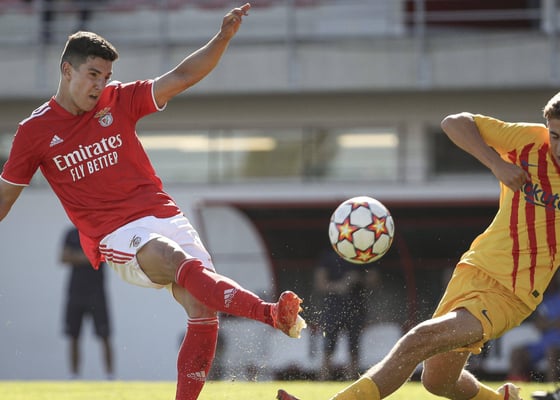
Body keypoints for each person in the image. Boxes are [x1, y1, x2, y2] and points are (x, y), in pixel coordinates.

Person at [0, 3, 306, 399]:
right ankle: (270, 314)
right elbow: (5, 197)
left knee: (202, 308)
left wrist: (222, 37)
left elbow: (181, 76)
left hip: (164, 215)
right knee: (171, 257)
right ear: (67, 70)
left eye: (106, 77)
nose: (100, 85)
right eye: (93, 74)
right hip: (116, 234)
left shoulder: (118, 100)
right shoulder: (34, 131)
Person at [277, 94, 560, 400]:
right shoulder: (529, 141)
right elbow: (454, 123)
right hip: (472, 270)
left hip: (511, 291)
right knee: (437, 380)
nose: (557, 146)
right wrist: (496, 164)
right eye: (555, 135)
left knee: (419, 338)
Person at [314, 248, 379, 380]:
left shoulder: (363, 256)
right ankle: (324, 377)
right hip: (333, 308)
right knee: (328, 345)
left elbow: (374, 279)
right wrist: (340, 285)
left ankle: (351, 378)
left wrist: (358, 279)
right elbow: (320, 284)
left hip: (356, 308)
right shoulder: (329, 256)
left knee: (354, 345)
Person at [60, 225, 114, 380]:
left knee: (104, 335)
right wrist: (88, 257)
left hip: (97, 293)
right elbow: (64, 257)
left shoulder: (100, 232)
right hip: (76, 292)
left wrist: (78, 256)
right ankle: (74, 375)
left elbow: (105, 256)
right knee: (73, 335)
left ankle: (110, 375)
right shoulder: (71, 234)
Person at [508, 272, 560, 383]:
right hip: (542, 343)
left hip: (556, 345)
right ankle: (518, 386)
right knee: (517, 352)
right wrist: (553, 323)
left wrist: (547, 323)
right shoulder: (543, 299)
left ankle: (553, 387)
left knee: (551, 351)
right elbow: (538, 325)